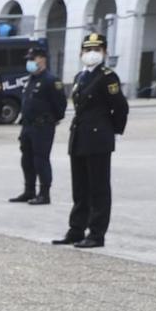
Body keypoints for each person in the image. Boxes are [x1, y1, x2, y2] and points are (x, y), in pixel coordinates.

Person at [54, 31, 129, 251]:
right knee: (80, 187)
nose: (92, 54)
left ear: (104, 52)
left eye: (97, 50)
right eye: (88, 50)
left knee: (98, 188)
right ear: (81, 53)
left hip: (98, 138)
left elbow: (121, 107)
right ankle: (76, 228)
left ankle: (96, 233)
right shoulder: (80, 77)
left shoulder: (107, 77)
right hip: (79, 137)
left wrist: (111, 131)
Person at [11, 46, 65, 206]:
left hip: (42, 126)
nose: (30, 62)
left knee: (41, 160)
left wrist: (50, 120)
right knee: (26, 159)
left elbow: (60, 105)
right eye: (28, 59)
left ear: (43, 59)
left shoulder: (51, 80)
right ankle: (29, 191)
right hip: (27, 126)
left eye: (33, 59)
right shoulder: (30, 79)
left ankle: (44, 193)